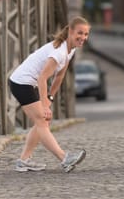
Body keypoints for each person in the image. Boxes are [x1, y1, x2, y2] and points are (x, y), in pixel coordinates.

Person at [9, 16, 90, 173]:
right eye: (80, 33)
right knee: (42, 121)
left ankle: (24, 160)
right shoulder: (58, 53)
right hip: (22, 83)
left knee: (42, 122)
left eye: (86, 34)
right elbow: (42, 78)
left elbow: (59, 76)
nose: (83, 38)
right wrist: (44, 104)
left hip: (29, 83)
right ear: (70, 32)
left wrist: (50, 98)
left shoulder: (70, 49)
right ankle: (64, 158)